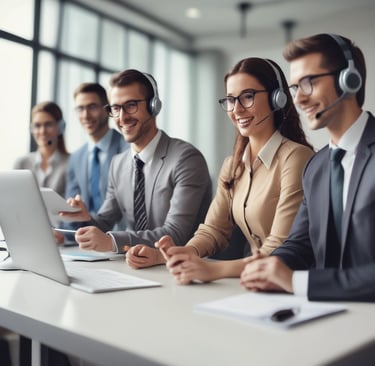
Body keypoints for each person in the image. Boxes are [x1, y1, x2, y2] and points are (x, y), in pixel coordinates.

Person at [240, 33, 375, 302]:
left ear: (348, 79)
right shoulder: (317, 166)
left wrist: (295, 281)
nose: (298, 99)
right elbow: (299, 244)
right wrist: (269, 267)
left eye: (308, 83)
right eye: (294, 87)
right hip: (324, 315)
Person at [155, 57, 315, 284]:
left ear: (276, 98)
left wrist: (213, 270)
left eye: (248, 96)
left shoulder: (296, 158)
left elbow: (280, 246)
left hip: (291, 285)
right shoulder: (233, 165)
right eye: (230, 100)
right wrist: (187, 253)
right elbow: (214, 229)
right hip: (252, 282)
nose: (237, 109)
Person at [60, 69, 212, 266]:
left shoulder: (186, 159)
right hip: (135, 267)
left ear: (153, 106)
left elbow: (176, 233)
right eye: (115, 108)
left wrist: (112, 241)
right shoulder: (119, 163)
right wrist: (84, 217)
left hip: (183, 269)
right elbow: (104, 222)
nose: (122, 117)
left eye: (131, 105)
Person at [66, 82, 128, 216]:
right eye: (80, 109)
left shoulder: (128, 149)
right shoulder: (76, 157)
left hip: (119, 234)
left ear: (107, 109)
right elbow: (70, 207)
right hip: (84, 232)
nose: (86, 115)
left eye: (92, 107)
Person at [14, 101, 69, 197]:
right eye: (37, 125)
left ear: (60, 127)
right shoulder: (21, 163)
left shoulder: (71, 163)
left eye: (48, 125)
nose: (42, 131)